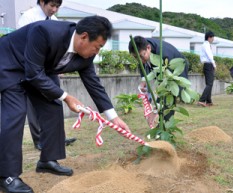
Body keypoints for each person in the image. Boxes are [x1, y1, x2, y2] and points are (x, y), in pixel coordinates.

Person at [0, 16, 130, 193]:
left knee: (53, 106)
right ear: (84, 37)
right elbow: (33, 73)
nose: (97, 52)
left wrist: (113, 118)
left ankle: (47, 160)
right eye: (97, 47)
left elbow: (94, 85)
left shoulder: (85, 57)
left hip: (39, 71)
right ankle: (7, 176)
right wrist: (67, 96)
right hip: (11, 65)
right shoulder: (45, 32)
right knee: (15, 114)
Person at [18, 0, 77, 150]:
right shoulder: (28, 17)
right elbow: (23, 46)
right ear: (42, 2)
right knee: (35, 106)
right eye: (52, 5)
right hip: (32, 69)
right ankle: (39, 140)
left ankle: (58, 138)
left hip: (49, 69)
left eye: (57, 6)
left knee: (56, 100)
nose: (54, 10)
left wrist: (59, 68)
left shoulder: (55, 21)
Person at [128, 36, 189, 123]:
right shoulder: (142, 45)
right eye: (137, 58)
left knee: (168, 96)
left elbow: (163, 88)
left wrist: (154, 111)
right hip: (163, 66)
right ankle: (162, 122)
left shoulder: (163, 55)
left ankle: (165, 125)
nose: (140, 61)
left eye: (142, 56)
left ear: (148, 48)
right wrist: (144, 80)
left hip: (177, 69)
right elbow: (142, 65)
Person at [197, 31, 216, 107]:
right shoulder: (206, 45)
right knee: (209, 84)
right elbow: (209, 55)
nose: (213, 39)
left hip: (207, 65)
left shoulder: (206, 45)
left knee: (209, 83)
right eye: (212, 37)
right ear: (209, 37)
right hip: (208, 64)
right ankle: (201, 100)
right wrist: (214, 64)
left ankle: (208, 101)